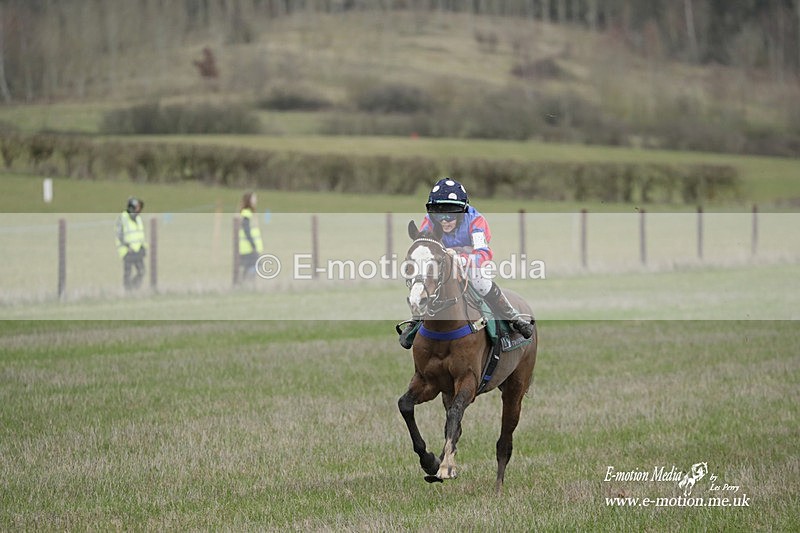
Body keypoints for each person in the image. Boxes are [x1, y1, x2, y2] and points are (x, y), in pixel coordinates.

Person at [398, 178, 534, 349]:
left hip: (471, 265)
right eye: (440, 215)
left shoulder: (476, 221)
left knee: (482, 283)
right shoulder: (429, 221)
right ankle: (415, 322)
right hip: (442, 267)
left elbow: (483, 255)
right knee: (423, 285)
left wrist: (460, 259)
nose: (445, 220)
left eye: (451, 215)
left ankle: (513, 318)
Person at [115, 197, 146, 290]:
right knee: (128, 273)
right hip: (127, 251)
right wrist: (127, 246)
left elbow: (140, 234)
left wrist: (143, 247)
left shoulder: (138, 219)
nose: (139, 210)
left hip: (137, 250)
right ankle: (128, 291)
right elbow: (119, 235)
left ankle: (134, 289)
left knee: (141, 271)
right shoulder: (123, 218)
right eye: (137, 208)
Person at [238, 192, 264, 281]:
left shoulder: (248, 213)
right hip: (248, 247)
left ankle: (243, 284)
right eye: (253, 198)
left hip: (248, 247)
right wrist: (253, 244)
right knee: (256, 265)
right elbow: (246, 230)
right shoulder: (247, 213)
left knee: (249, 266)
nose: (255, 200)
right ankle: (248, 282)